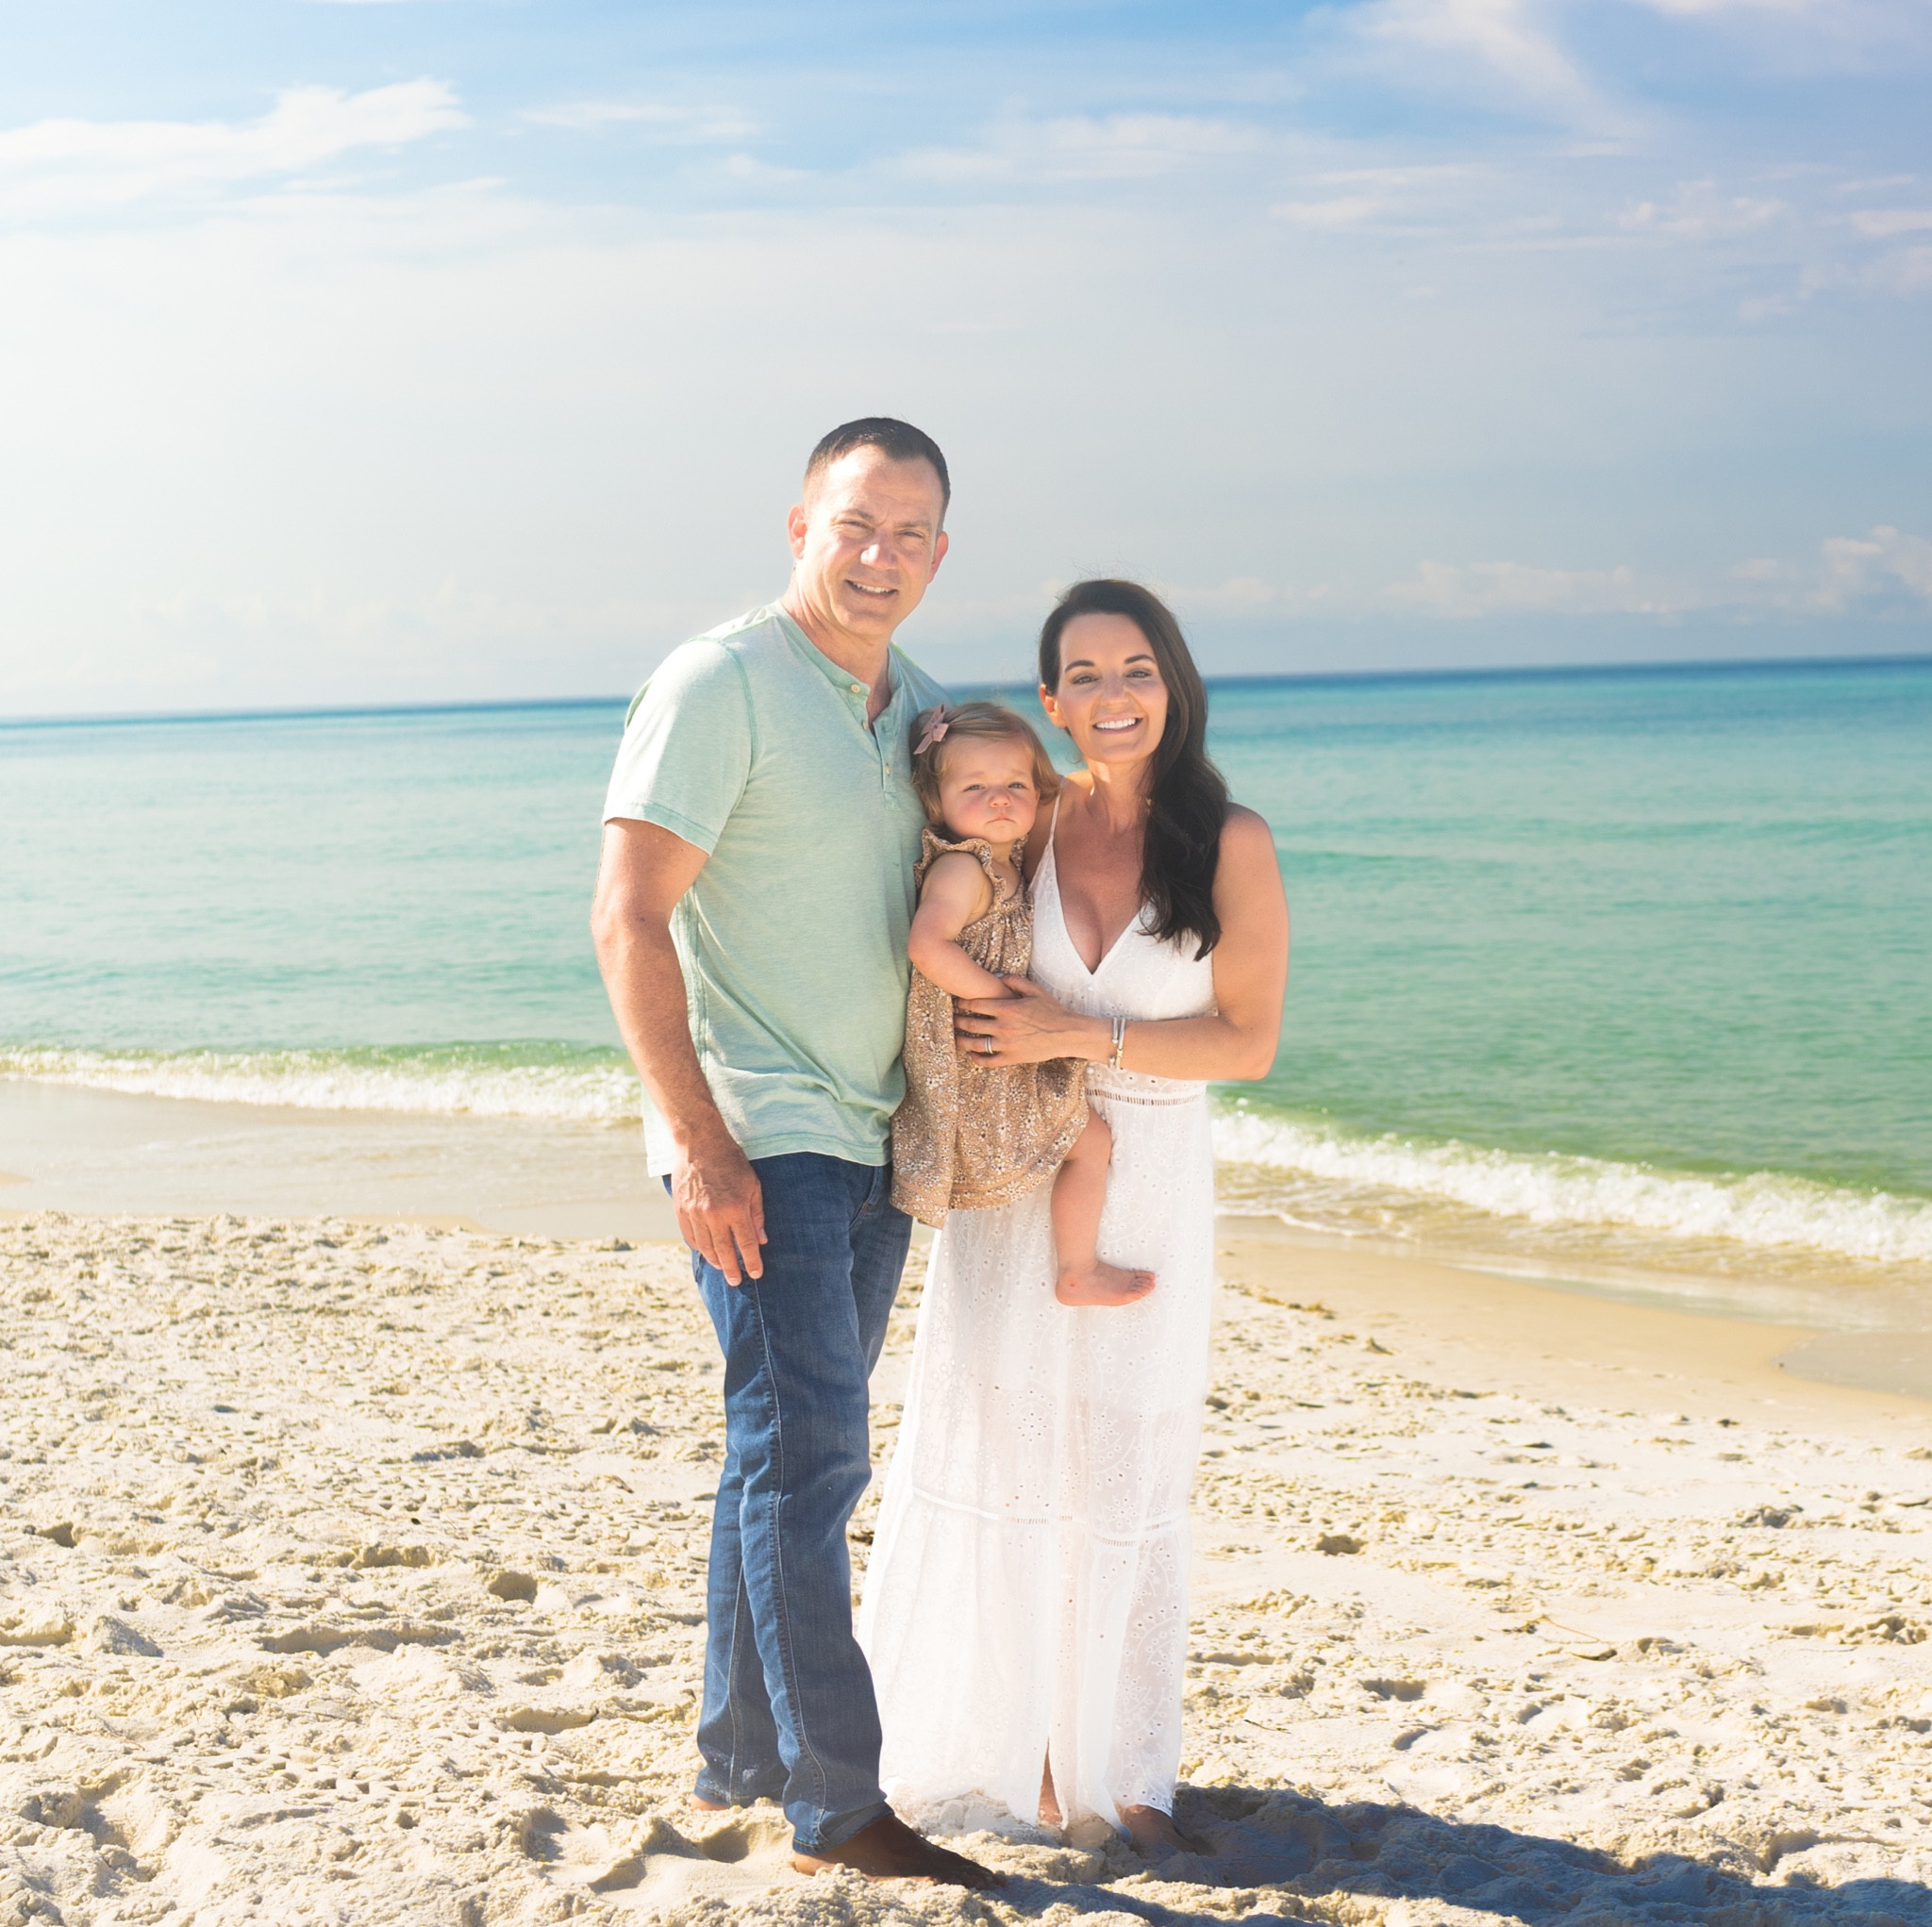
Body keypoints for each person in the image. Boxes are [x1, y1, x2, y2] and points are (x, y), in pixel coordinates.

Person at [590, 418, 1000, 1891]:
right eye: (855, 525)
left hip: (878, 1133)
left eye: (910, 532)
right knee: (811, 1453)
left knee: (782, 1454)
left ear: (941, 552)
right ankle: (839, 1807)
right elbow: (628, 917)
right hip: (761, 1133)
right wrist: (699, 1143)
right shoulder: (722, 681)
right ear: (799, 527)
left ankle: (742, 1755)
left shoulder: (930, 714)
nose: (881, 554)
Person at [858, 578, 1290, 1855]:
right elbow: (934, 904)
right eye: (1086, 675)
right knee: (1004, 1445)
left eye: (1137, 667)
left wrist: (1080, 1027)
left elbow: (1247, 1042)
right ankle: (1012, 1744)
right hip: (1017, 1171)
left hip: (1147, 1170)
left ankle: (1120, 1762)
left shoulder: (1232, 839)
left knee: (1125, 1462)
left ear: (1177, 685)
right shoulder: (1022, 827)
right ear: (1051, 704)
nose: (1114, 695)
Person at [890, 699, 1154, 1307]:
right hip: (982, 1047)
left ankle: (1070, 1269)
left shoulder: (1009, 864)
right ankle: (1077, 1270)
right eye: (975, 787)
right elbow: (928, 946)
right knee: (1090, 1142)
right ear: (938, 802)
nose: (1000, 799)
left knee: (1088, 1141)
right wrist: (1004, 998)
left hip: (1000, 1044)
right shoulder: (963, 867)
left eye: (1014, 785)